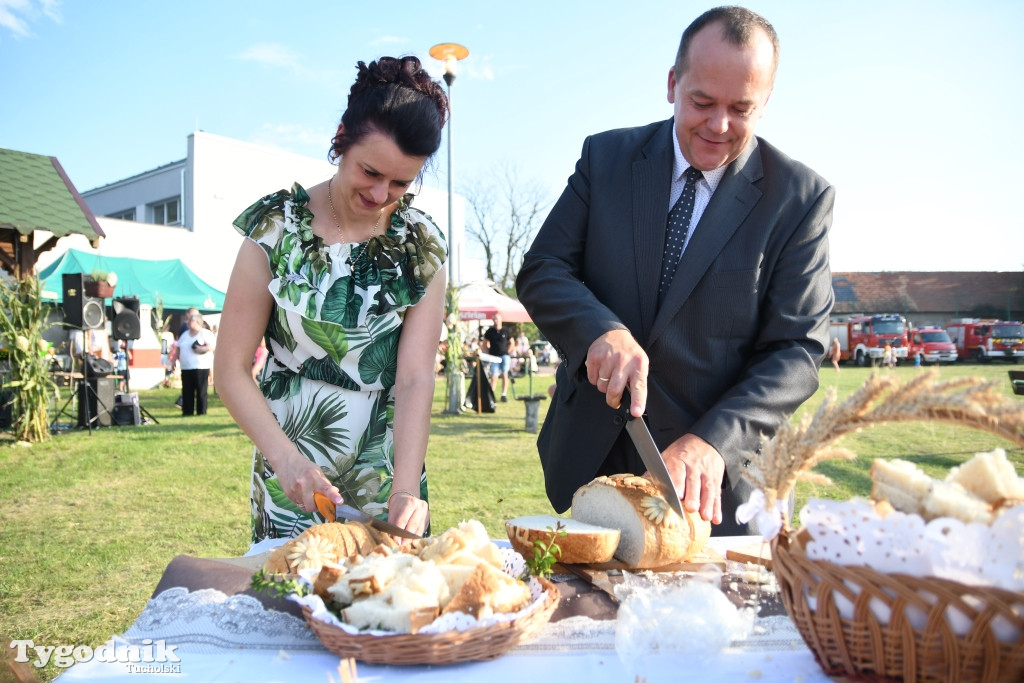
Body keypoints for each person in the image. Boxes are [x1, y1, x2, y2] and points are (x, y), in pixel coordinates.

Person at [517, 6, 834, 536]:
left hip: (718, 491)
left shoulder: (800, 199)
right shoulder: (606, 158)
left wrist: (714, 443)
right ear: (672, 83)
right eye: (702, 102)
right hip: (596, 466)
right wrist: (601, 329)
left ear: (767, 101)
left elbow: (797, 350)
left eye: (741, 108)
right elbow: (544, 268)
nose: (719, 125)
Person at [215, 56, 449, 543]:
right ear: (341, 137)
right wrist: (285, 460)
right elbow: (231, 370)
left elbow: (413, 378)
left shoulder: (421, 243)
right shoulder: (275, 229)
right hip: (291, 477)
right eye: (370, 171)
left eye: (402, 182)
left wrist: (406, 488)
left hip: (387, 477)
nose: (383, 193)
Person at [177, 311, 215, 416]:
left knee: (201, 390)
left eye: (191, 320)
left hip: (200, 366)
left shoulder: (205, 333)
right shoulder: (185, 334)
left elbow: (212, 346)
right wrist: (174, 361)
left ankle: (201, 411)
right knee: (187, 390)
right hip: (186, 367)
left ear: (198, 322)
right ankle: (187, 411)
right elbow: (178, 347)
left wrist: (202, 348)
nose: (188, 323)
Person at [483, 314, 513, 402]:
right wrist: (488, 351)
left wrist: (508, 351)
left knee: (504, 375)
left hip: (504, 356)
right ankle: (491, 395)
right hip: (494, 357)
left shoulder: (506, 330)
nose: (495, 320)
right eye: (494, 319)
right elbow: (485, 342)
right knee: (494, 376)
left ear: (500, 320)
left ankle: (504, 394)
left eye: (497, 319)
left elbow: (511, 342)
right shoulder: (490, 331)